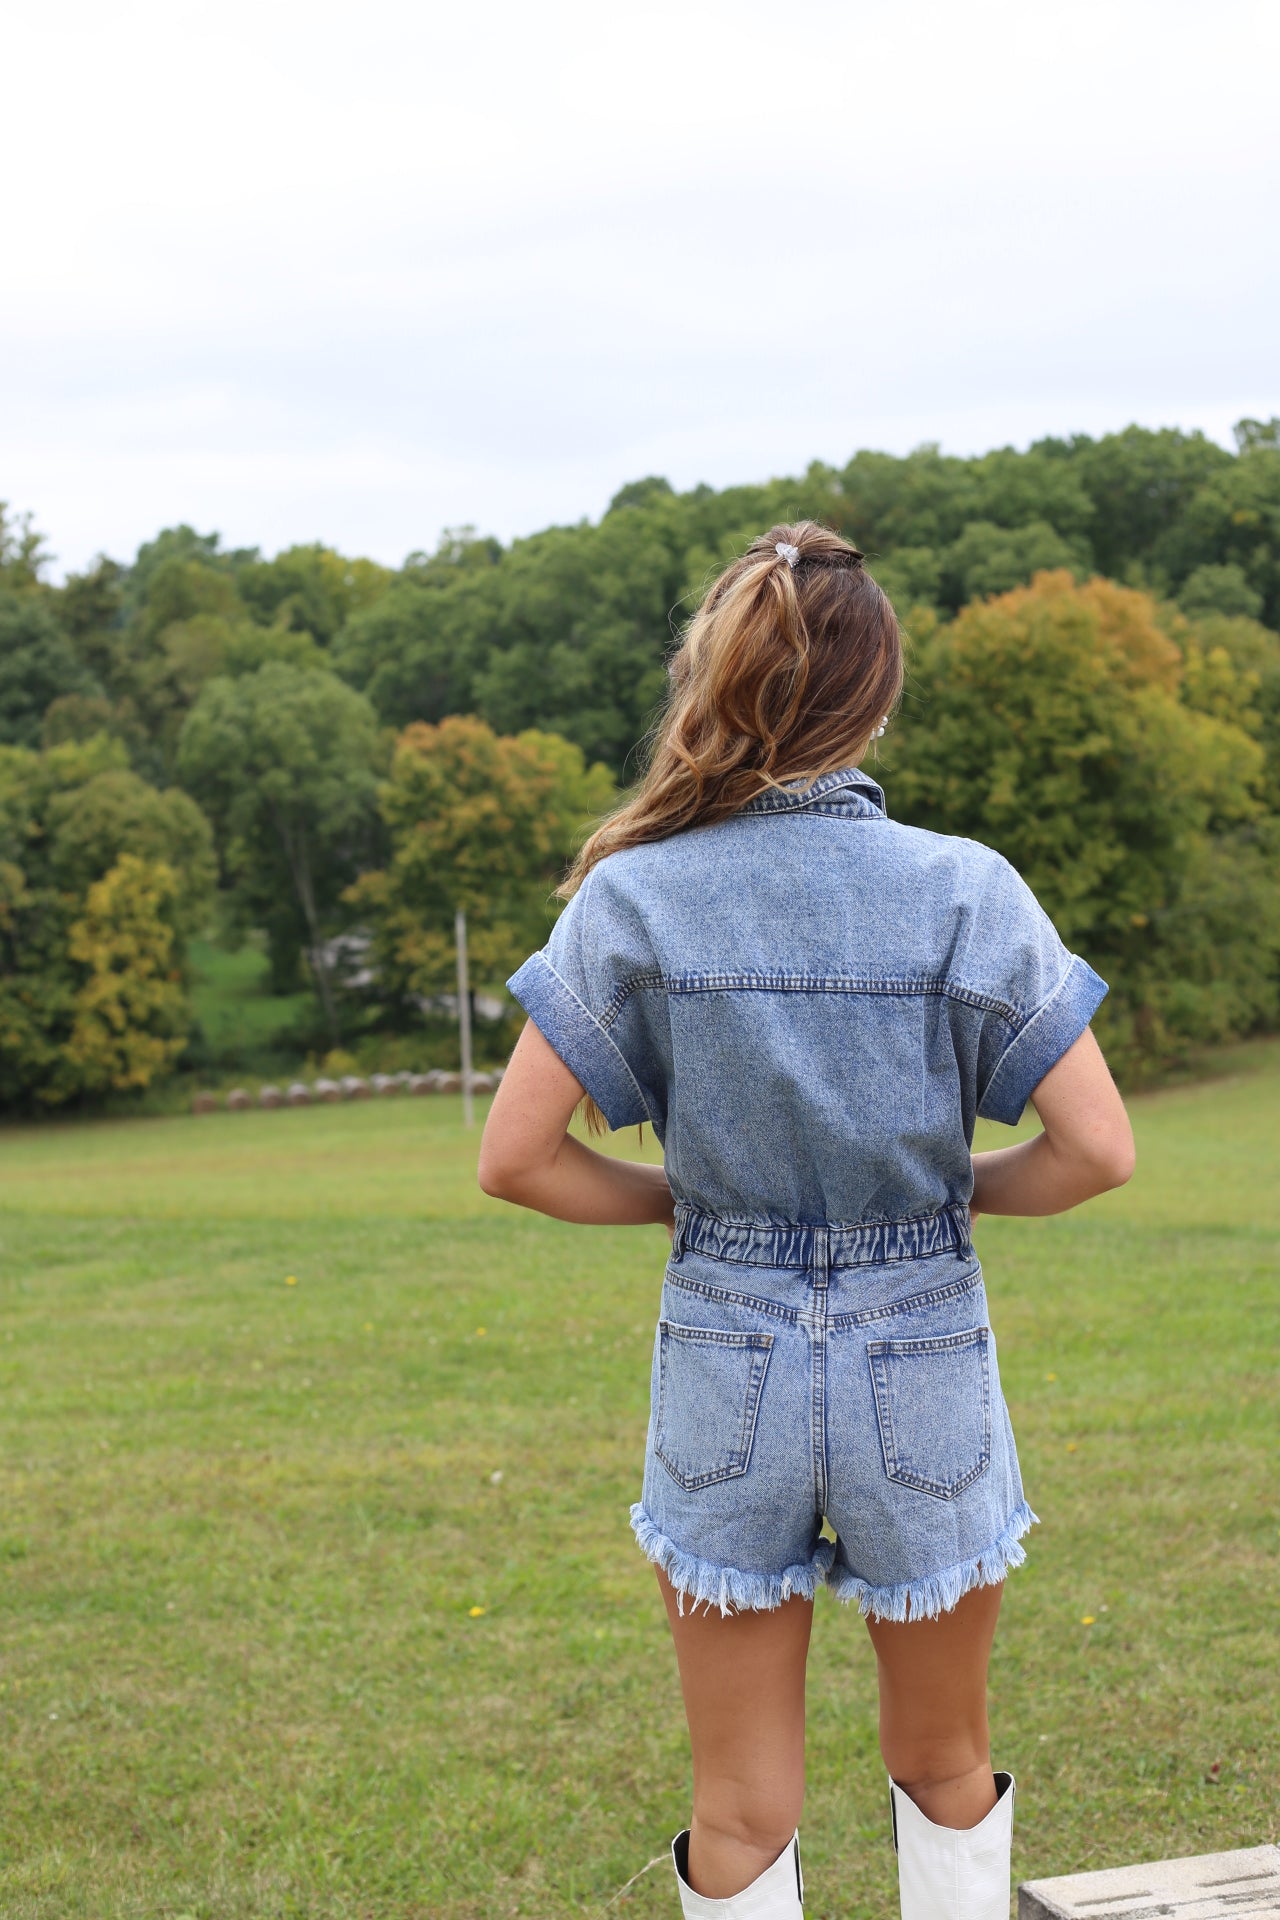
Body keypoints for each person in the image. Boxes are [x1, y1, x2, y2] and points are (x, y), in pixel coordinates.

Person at [477, 522, 1135, 1920]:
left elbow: (517, 1157)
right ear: (876, 696)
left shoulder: (635, 896)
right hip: (927, 1348)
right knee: (946, 1757)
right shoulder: (968, 888)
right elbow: (1097, 1149)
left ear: (722, 688)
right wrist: (952, 1195)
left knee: (737, 1800)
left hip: (728, 1350)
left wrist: (686, 1207)